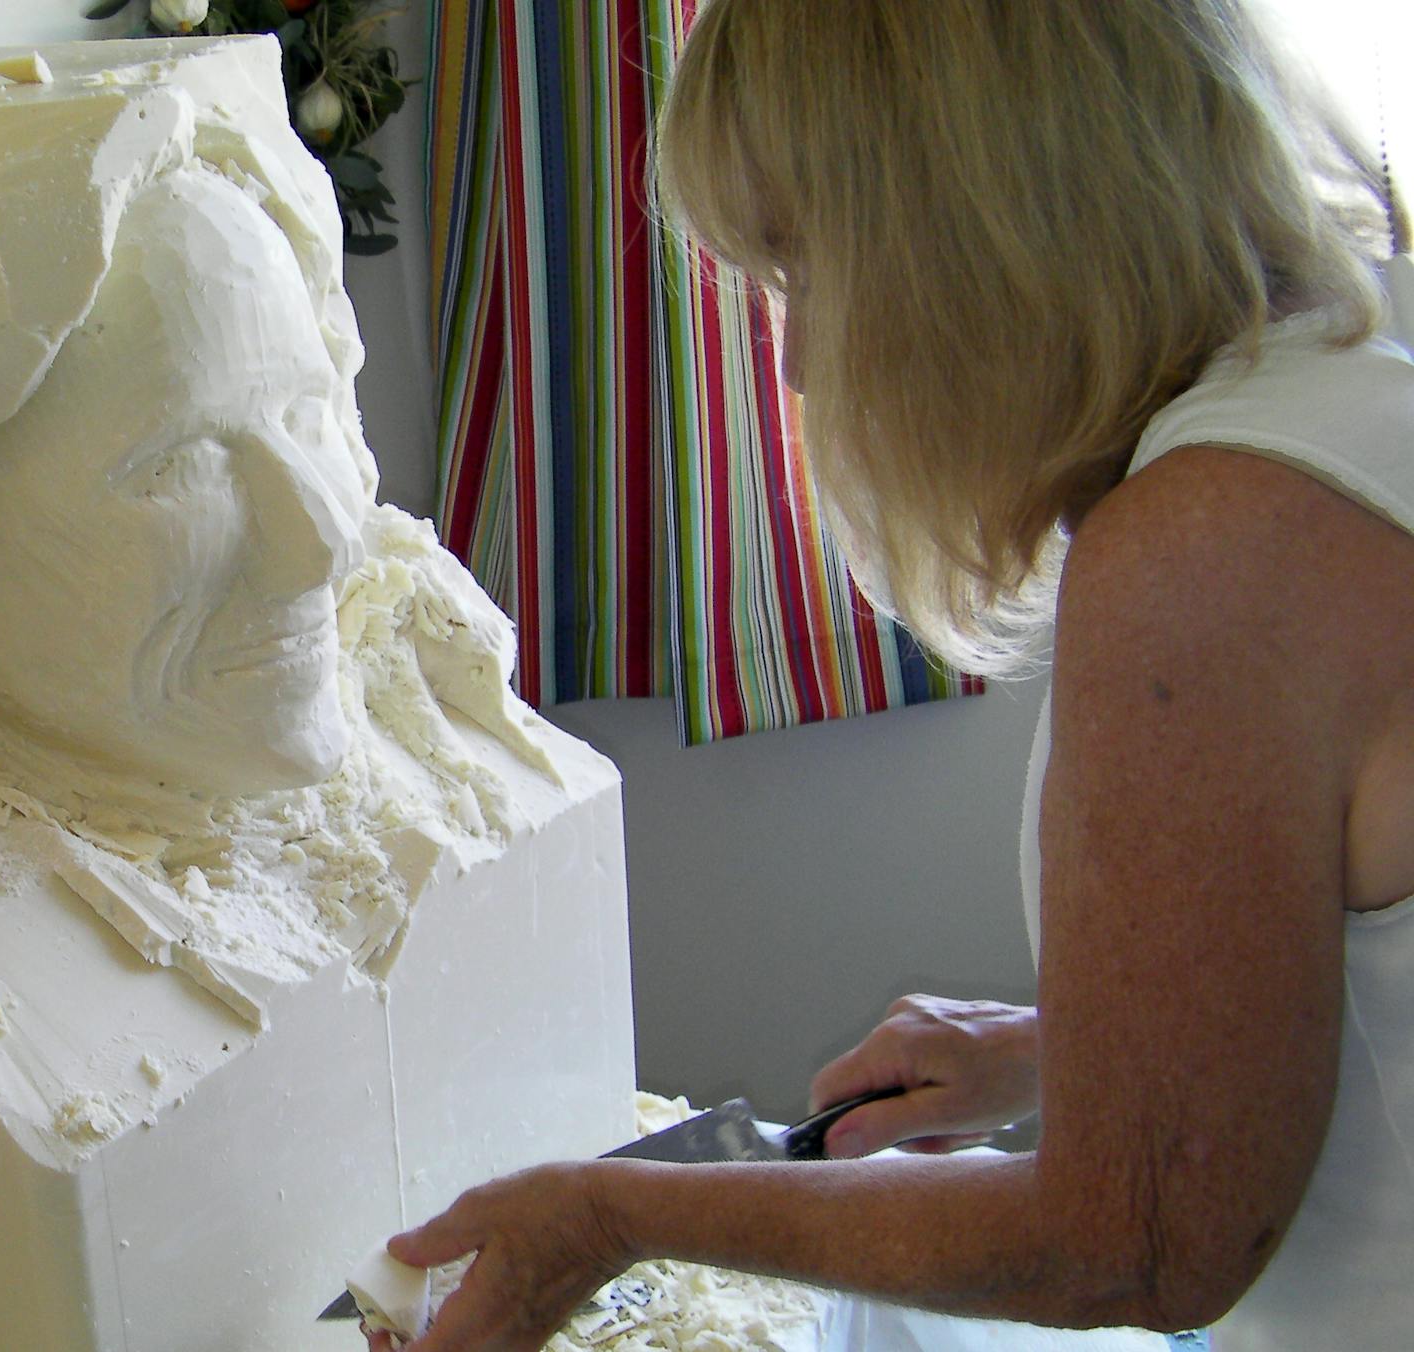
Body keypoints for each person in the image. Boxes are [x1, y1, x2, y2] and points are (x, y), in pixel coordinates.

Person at [365, 1, 1414, 1347]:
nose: (796, 359)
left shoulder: (1203, 555)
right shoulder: (1347, 390)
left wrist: (618, 1212)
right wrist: (1057, 1054)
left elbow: (1133, 1243)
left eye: (804, 270)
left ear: (971, 240)